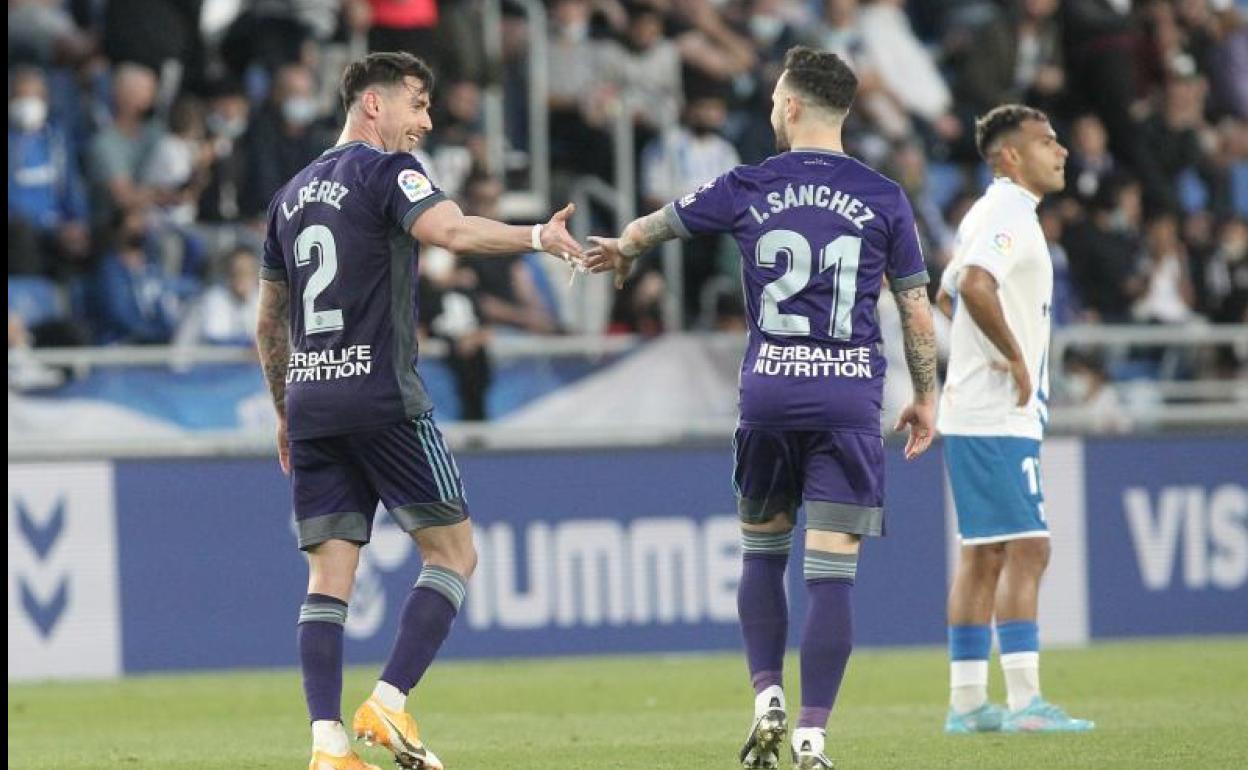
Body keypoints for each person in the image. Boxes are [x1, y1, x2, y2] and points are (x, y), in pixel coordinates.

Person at [584, 46, 939, 770]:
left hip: (770, 392)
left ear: (793, 106)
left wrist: (622, 249)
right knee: (832, 571)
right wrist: (927, 395)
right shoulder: (883, 196)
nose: (774, 107)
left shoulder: (749, 183)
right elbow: (916, 310)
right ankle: (812, 734)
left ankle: (766, 697)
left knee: (762, 552)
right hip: (847, 397)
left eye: (778, 98)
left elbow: (662, 224)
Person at [254, 51, 584, 770]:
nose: (425, 122)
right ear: (374, 105)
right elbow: (454, 233)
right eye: (417, 104)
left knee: (327, 579)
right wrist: (538, 238)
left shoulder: (290, 193)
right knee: (454, 552)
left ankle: (327, 745)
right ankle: (390, 702)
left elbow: (268, 321)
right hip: (381, 398)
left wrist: (285, 411)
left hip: (311, 401)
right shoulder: (385, 172)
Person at [933, 104, 1094, 735]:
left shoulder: (990, 211)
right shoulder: (1006, 214)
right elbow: (973, 285)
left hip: (979, 409)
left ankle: (969, 704)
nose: (1062, 151)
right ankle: (1026, 704)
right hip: (995, 415)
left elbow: (948, 291)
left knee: (985, 557)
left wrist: (983, 357)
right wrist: (1011, 357)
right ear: (1010, 156)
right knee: (1030, 548)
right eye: (1047, 141)